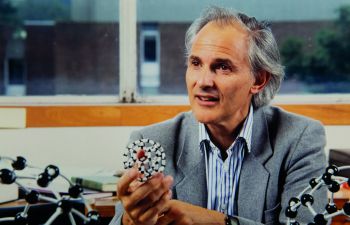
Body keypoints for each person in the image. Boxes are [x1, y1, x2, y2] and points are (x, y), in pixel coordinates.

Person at [110, 6, 327, 225]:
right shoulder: (151, 142)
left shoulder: (300, 140)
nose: (203, 81)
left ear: (259, 80)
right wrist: (131, 220)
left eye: (222, 67)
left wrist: (209, 220)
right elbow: (124, 219)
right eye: (196, 63)